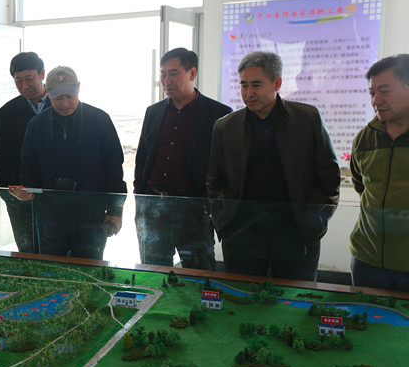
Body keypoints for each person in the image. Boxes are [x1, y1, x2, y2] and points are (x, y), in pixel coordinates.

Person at [206, 51, 340, 281]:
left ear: (277, 83)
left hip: (296, 234)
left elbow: (329, 176)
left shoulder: (307, 118)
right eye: (244, 85)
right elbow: (214, 180)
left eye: (256, 85)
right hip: (242, 235)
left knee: (296, 297)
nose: (249, 93)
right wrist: (224, 221)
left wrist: (315, 221)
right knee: (242, 295)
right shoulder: (225, 126)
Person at [134, 48, 231, 270]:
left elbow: (225, 166)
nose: (166, 80)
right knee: (154, 273)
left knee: (199, 274)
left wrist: (210, 204)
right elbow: (142, 159)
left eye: (173, 73)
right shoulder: (153, 112)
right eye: (163, 74)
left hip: (195, 210)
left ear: (192, 73)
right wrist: (141, 198)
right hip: (154, 208)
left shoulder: (218, 113)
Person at [19, 66, 126, 260]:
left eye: (69, 96)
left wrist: (115, 211)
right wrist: (28, 190)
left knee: (89, 271)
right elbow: (29, 167)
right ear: (48, 94)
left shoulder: (100, 120)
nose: (65, 103)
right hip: (49, 216)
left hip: (91, 215)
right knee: (52, 269)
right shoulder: (37, 125)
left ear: (78, 88)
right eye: (58, 98)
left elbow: (114, 169)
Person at [349, 54, 409, 290]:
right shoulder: (365, 137)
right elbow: (361, 186)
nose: (376, 101)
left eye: (385, 91)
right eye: (372, 93)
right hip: (368, 258)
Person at [0, 52, 50, 253]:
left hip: (55, 195)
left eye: (29, 79)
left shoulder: (61, 105)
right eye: (19, 81)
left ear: (42, 74)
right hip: (19, 195)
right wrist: (8, 192)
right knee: (27, 250)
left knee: (57, 253)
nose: (25, 86)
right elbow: (2, 156)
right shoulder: (8, 112)